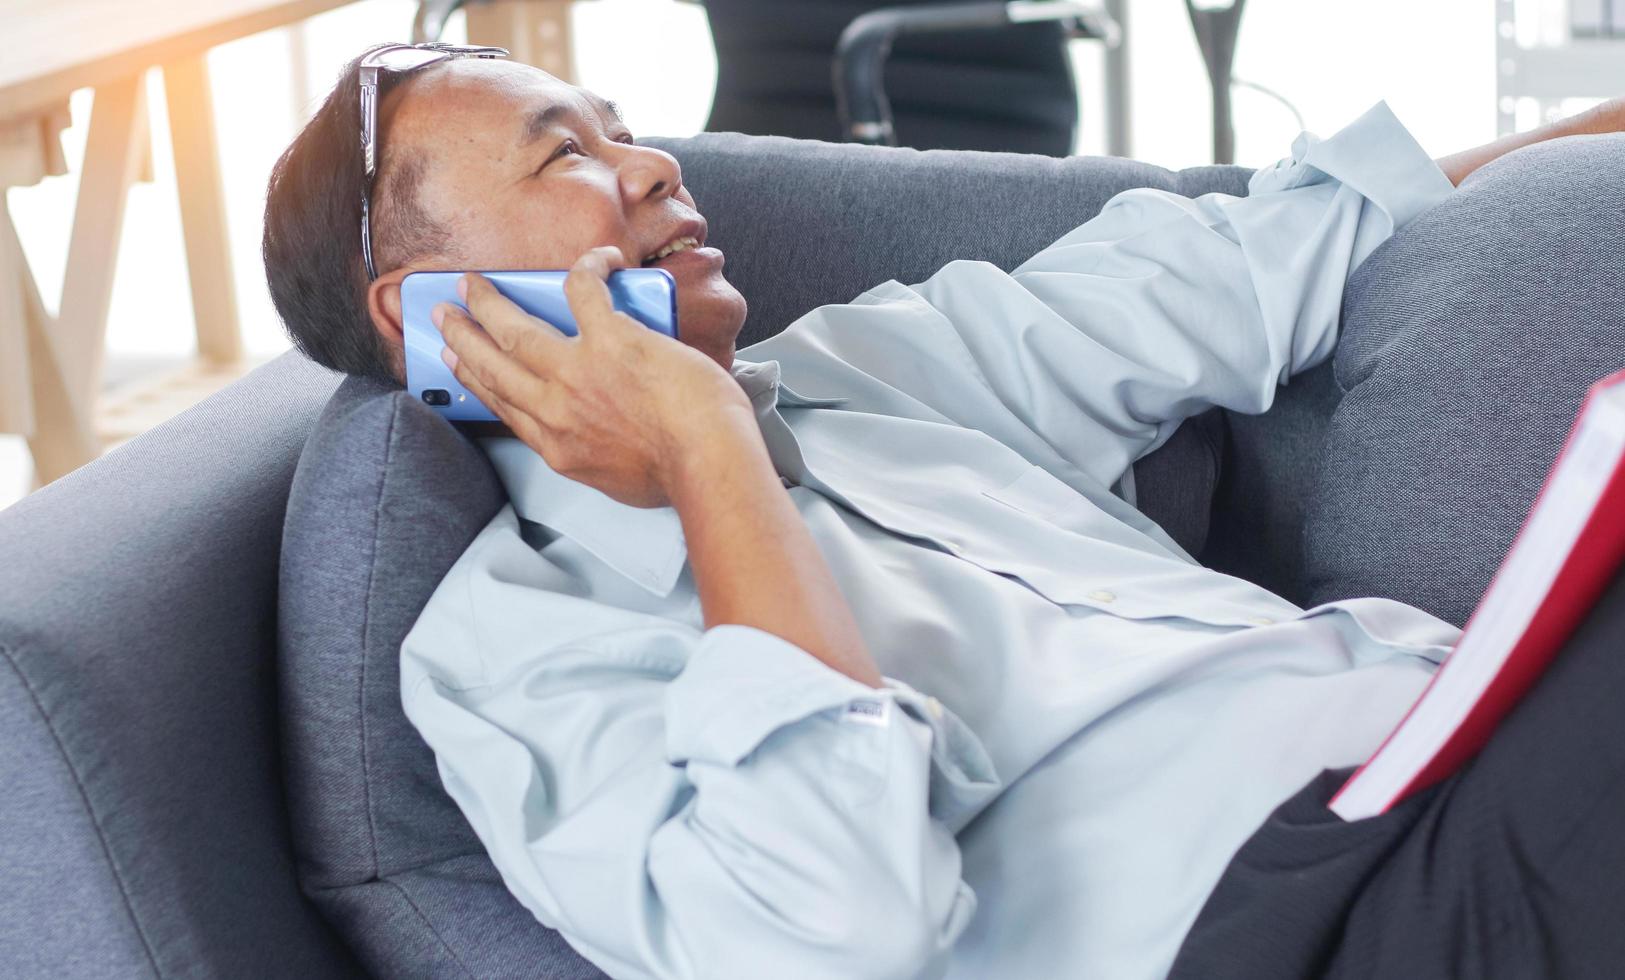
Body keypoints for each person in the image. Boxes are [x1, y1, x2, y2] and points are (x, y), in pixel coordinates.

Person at [261, 43, 1625, 980]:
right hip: (1319, 921)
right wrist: (701, 444)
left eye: (625, 128)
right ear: (436, 318)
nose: (650, 167)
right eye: (563, 154)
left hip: (1463, 742)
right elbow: (829, 928)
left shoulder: (874, 364)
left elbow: (1268, 251)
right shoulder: (510, 652)